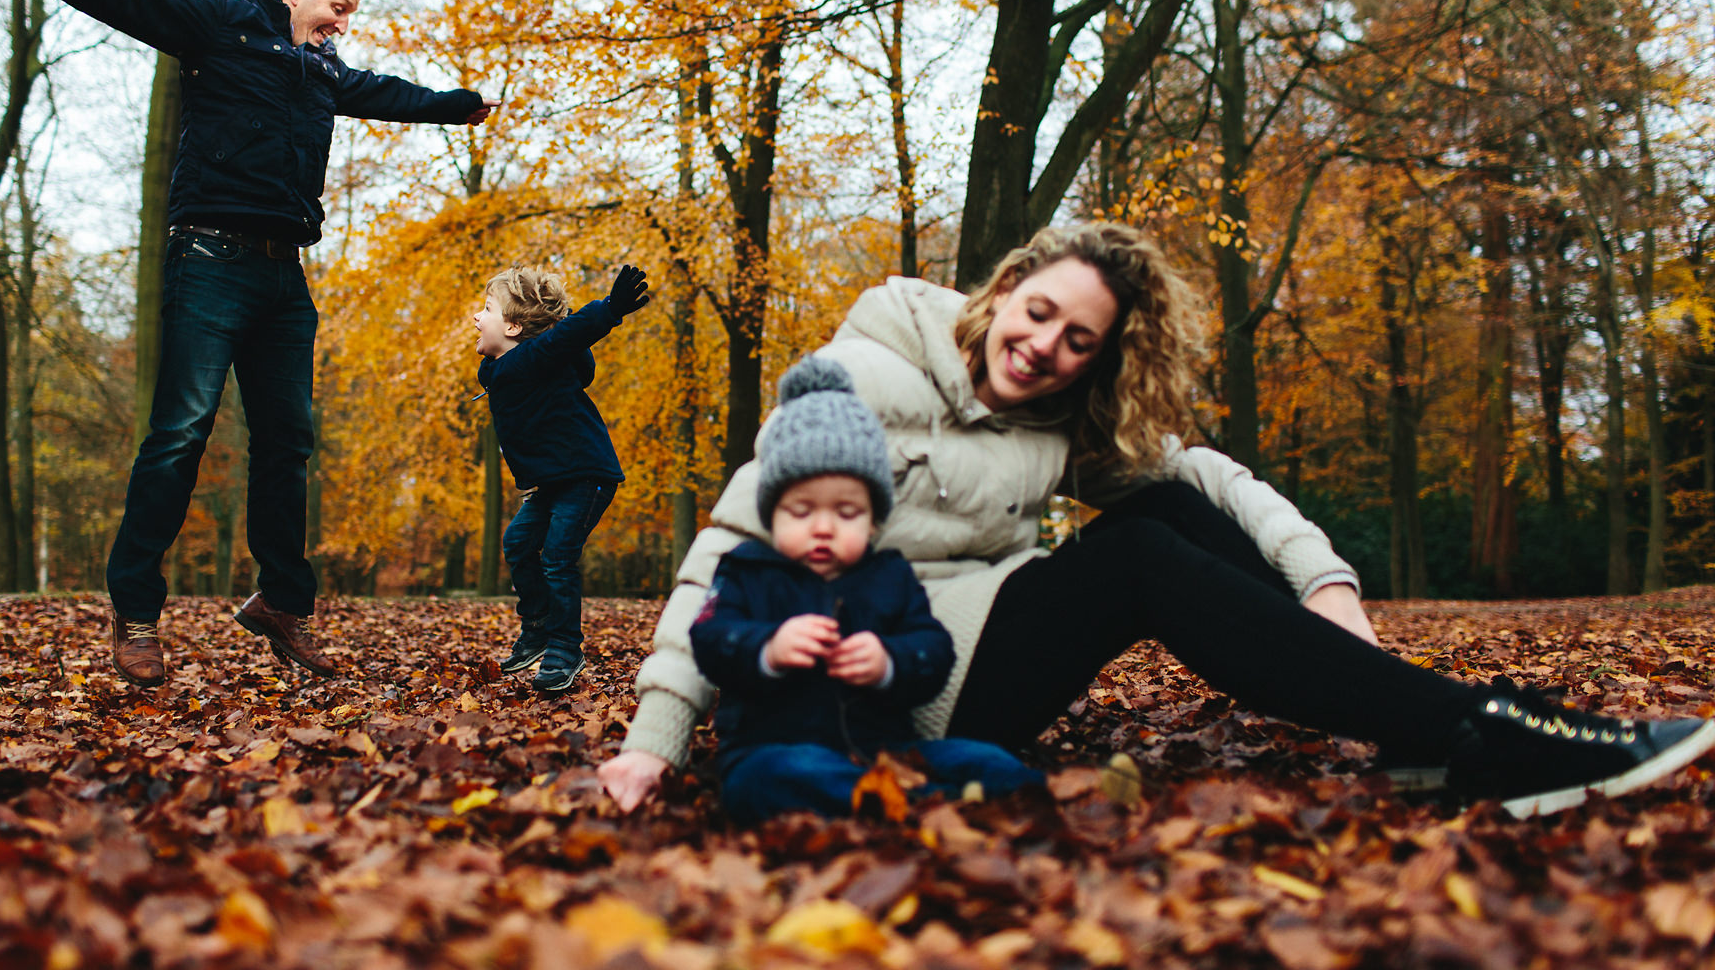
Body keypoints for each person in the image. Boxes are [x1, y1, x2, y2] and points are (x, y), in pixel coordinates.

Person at [601, 222, 1715, 820]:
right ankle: (1478, 737)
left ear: (1099, 356)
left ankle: (1424, 726)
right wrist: (654, 742)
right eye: (1039, 315)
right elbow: (731, 545)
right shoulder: (858, 367)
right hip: (894, 680)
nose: (1044, 349)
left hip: (983, 640)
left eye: (1079, 341)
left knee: (1169, 501)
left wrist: (1326, 583)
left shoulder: (1061, 421)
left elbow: (1214, 481)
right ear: (1006, 291)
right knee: (1136, 554)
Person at [0, 0, 493, 687]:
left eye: (351, 13)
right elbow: (133, 1)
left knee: (289, 441)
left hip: (281, 277)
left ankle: (280, 602)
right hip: (208, 258)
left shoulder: (321, 72)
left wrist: (459, 107)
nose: (343, 22)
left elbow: (388, 94)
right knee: (181, 435)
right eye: (337, 6)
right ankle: (135, 614)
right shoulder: (220, 24)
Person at [689, 357, 1043, 823]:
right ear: (772, 513)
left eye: (846, 512)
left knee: (986, 760)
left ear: (874, 519)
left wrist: (888, 663)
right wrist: (768, 649)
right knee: (770, 779)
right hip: (771, 746)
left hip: (885, 752)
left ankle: (1026, 798)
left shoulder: (888, 575)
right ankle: (929, 809)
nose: (823, 528)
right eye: (801, 511)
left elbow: (933, 650)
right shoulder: (746, 571)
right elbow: (709, 641)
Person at [475, 263, 651, 691]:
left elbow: (568, 337)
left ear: (514, 327)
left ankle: (565, 647)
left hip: (585, 474)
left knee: (556, 557)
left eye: (487, 309)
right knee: (517, 543)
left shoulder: (537, 357)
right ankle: (537, 628)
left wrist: (610, 309)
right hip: (551, 483)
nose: (477, 317)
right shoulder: (496, 372)